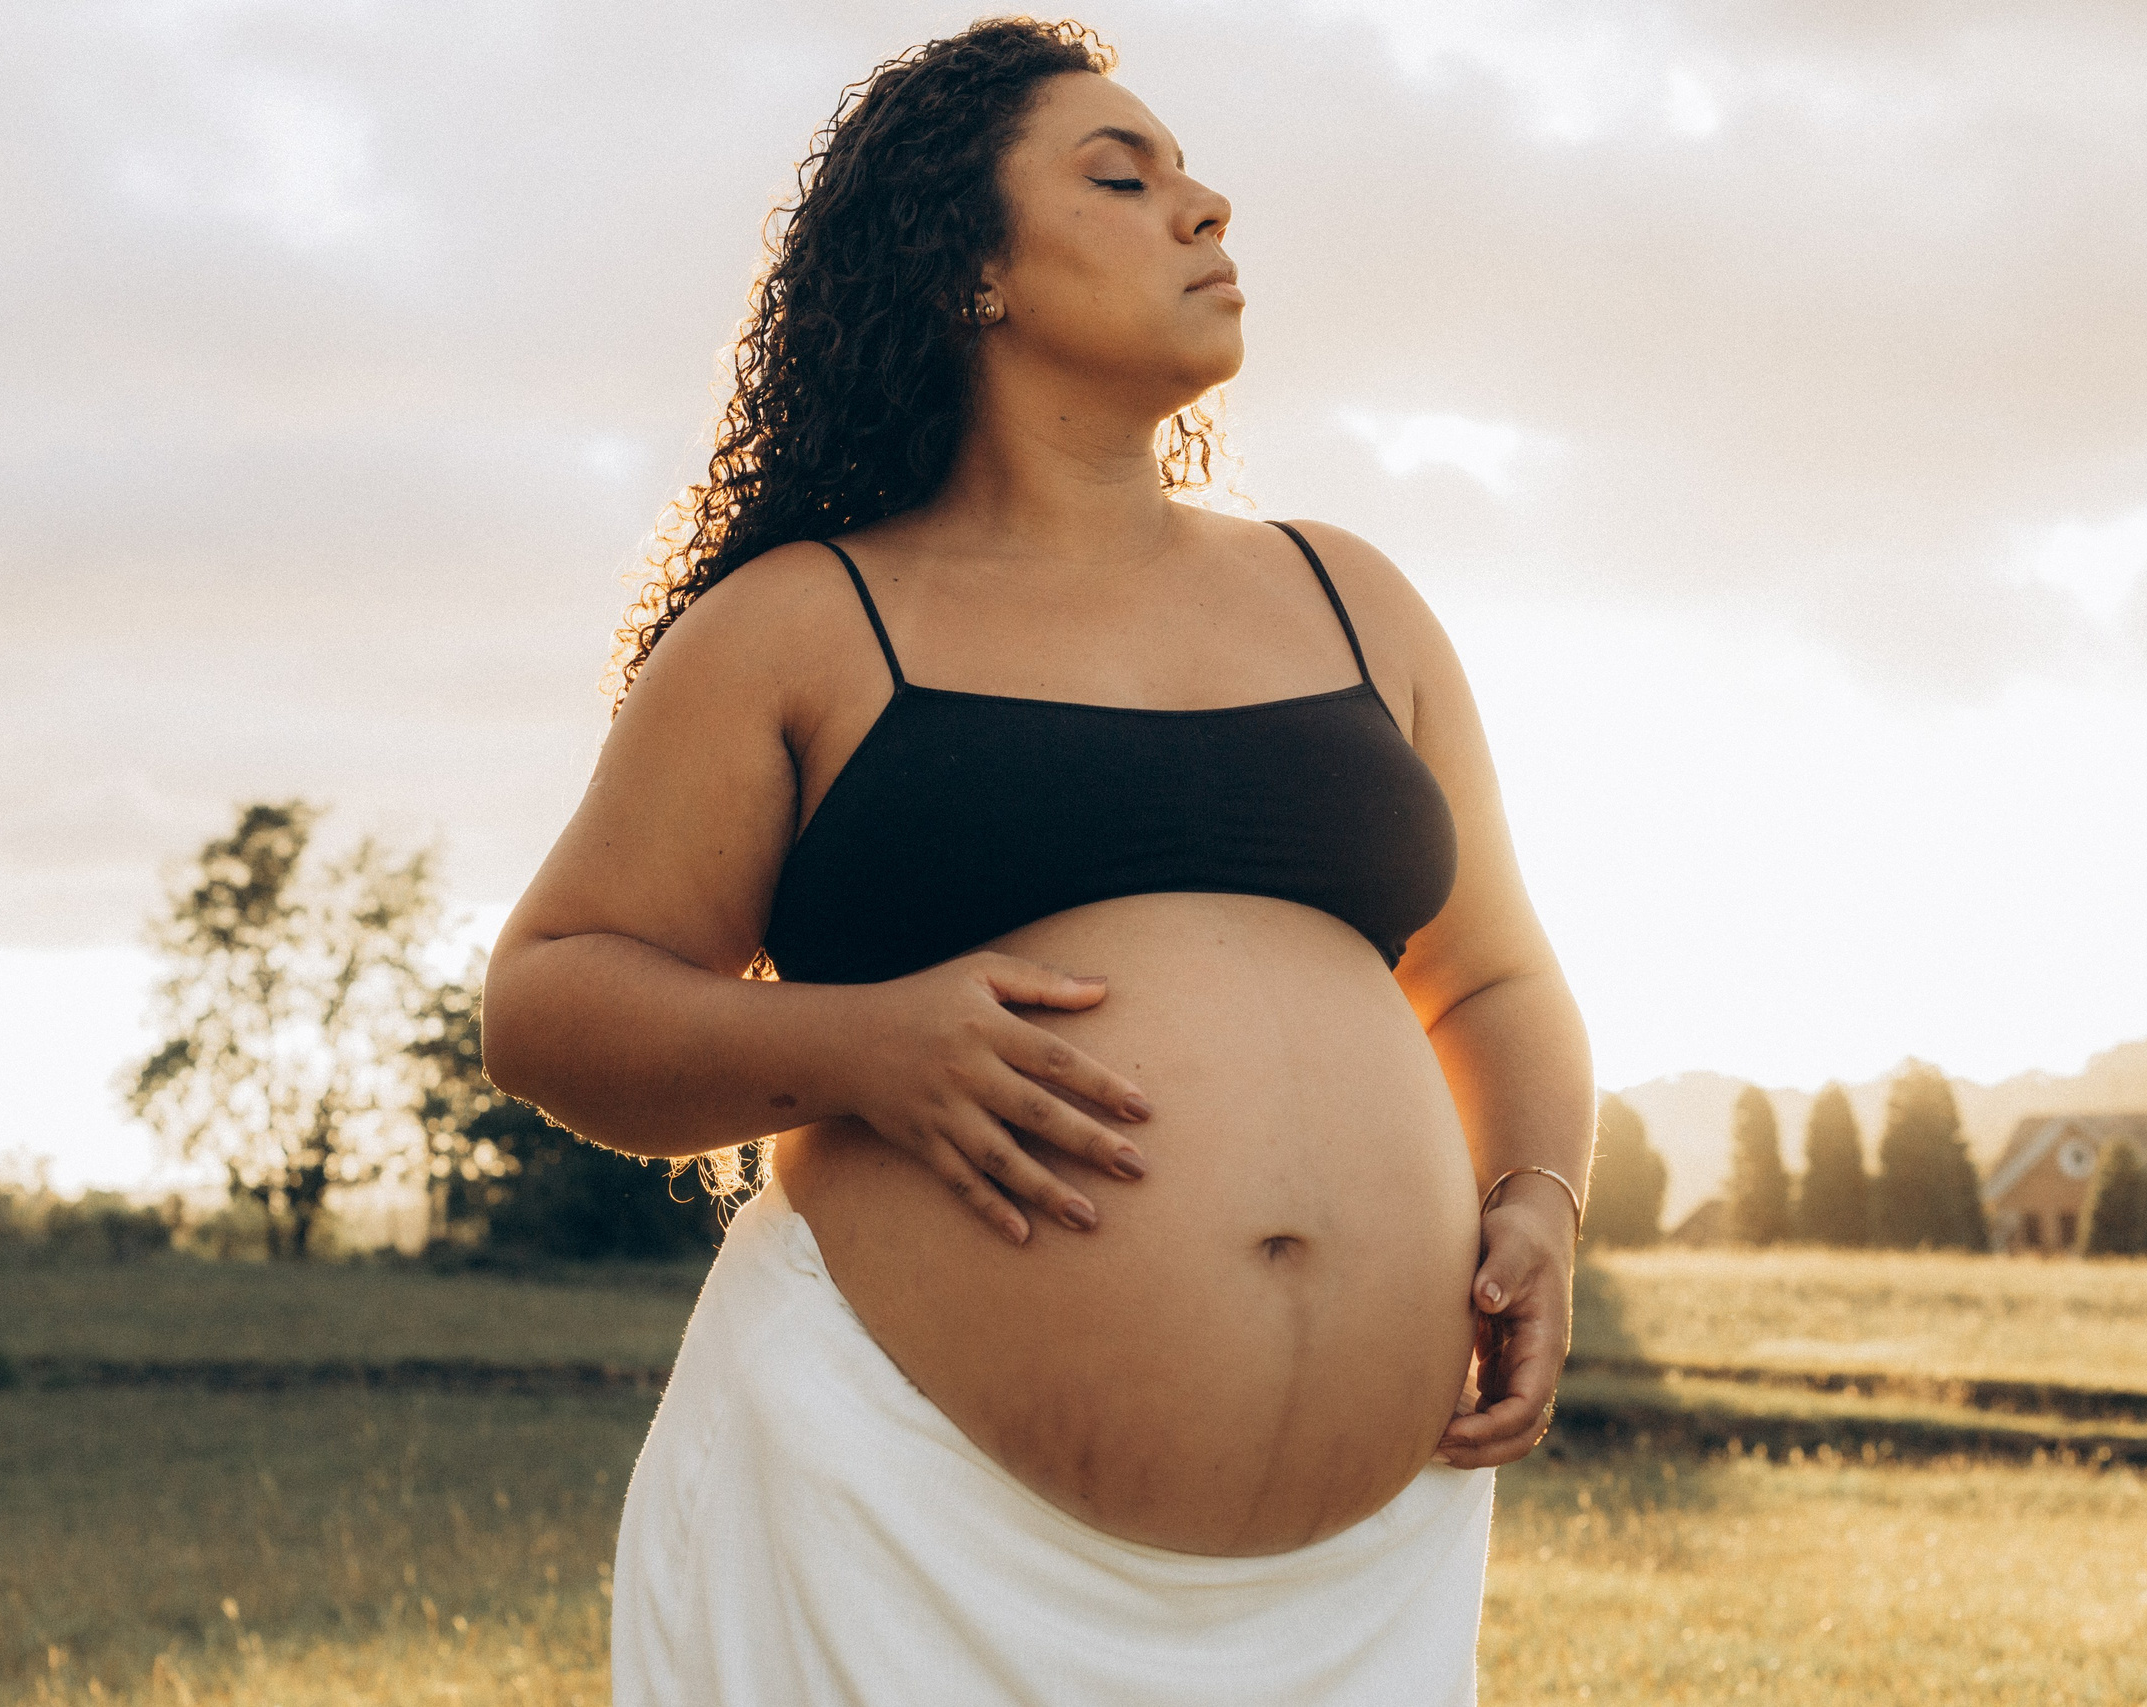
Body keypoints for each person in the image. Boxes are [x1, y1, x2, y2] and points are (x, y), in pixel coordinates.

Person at [483, 18, 1594, 1705]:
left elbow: (1498, 975)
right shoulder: (803, 625)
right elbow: (552, 1005)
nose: (1206, 206)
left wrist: (1537, 1198)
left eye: (1190, 174)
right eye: (1120, 175)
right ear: (969, 269)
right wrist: (862, 1048)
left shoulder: (1354, 596)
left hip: (1361, 1590)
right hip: (899, 1538)